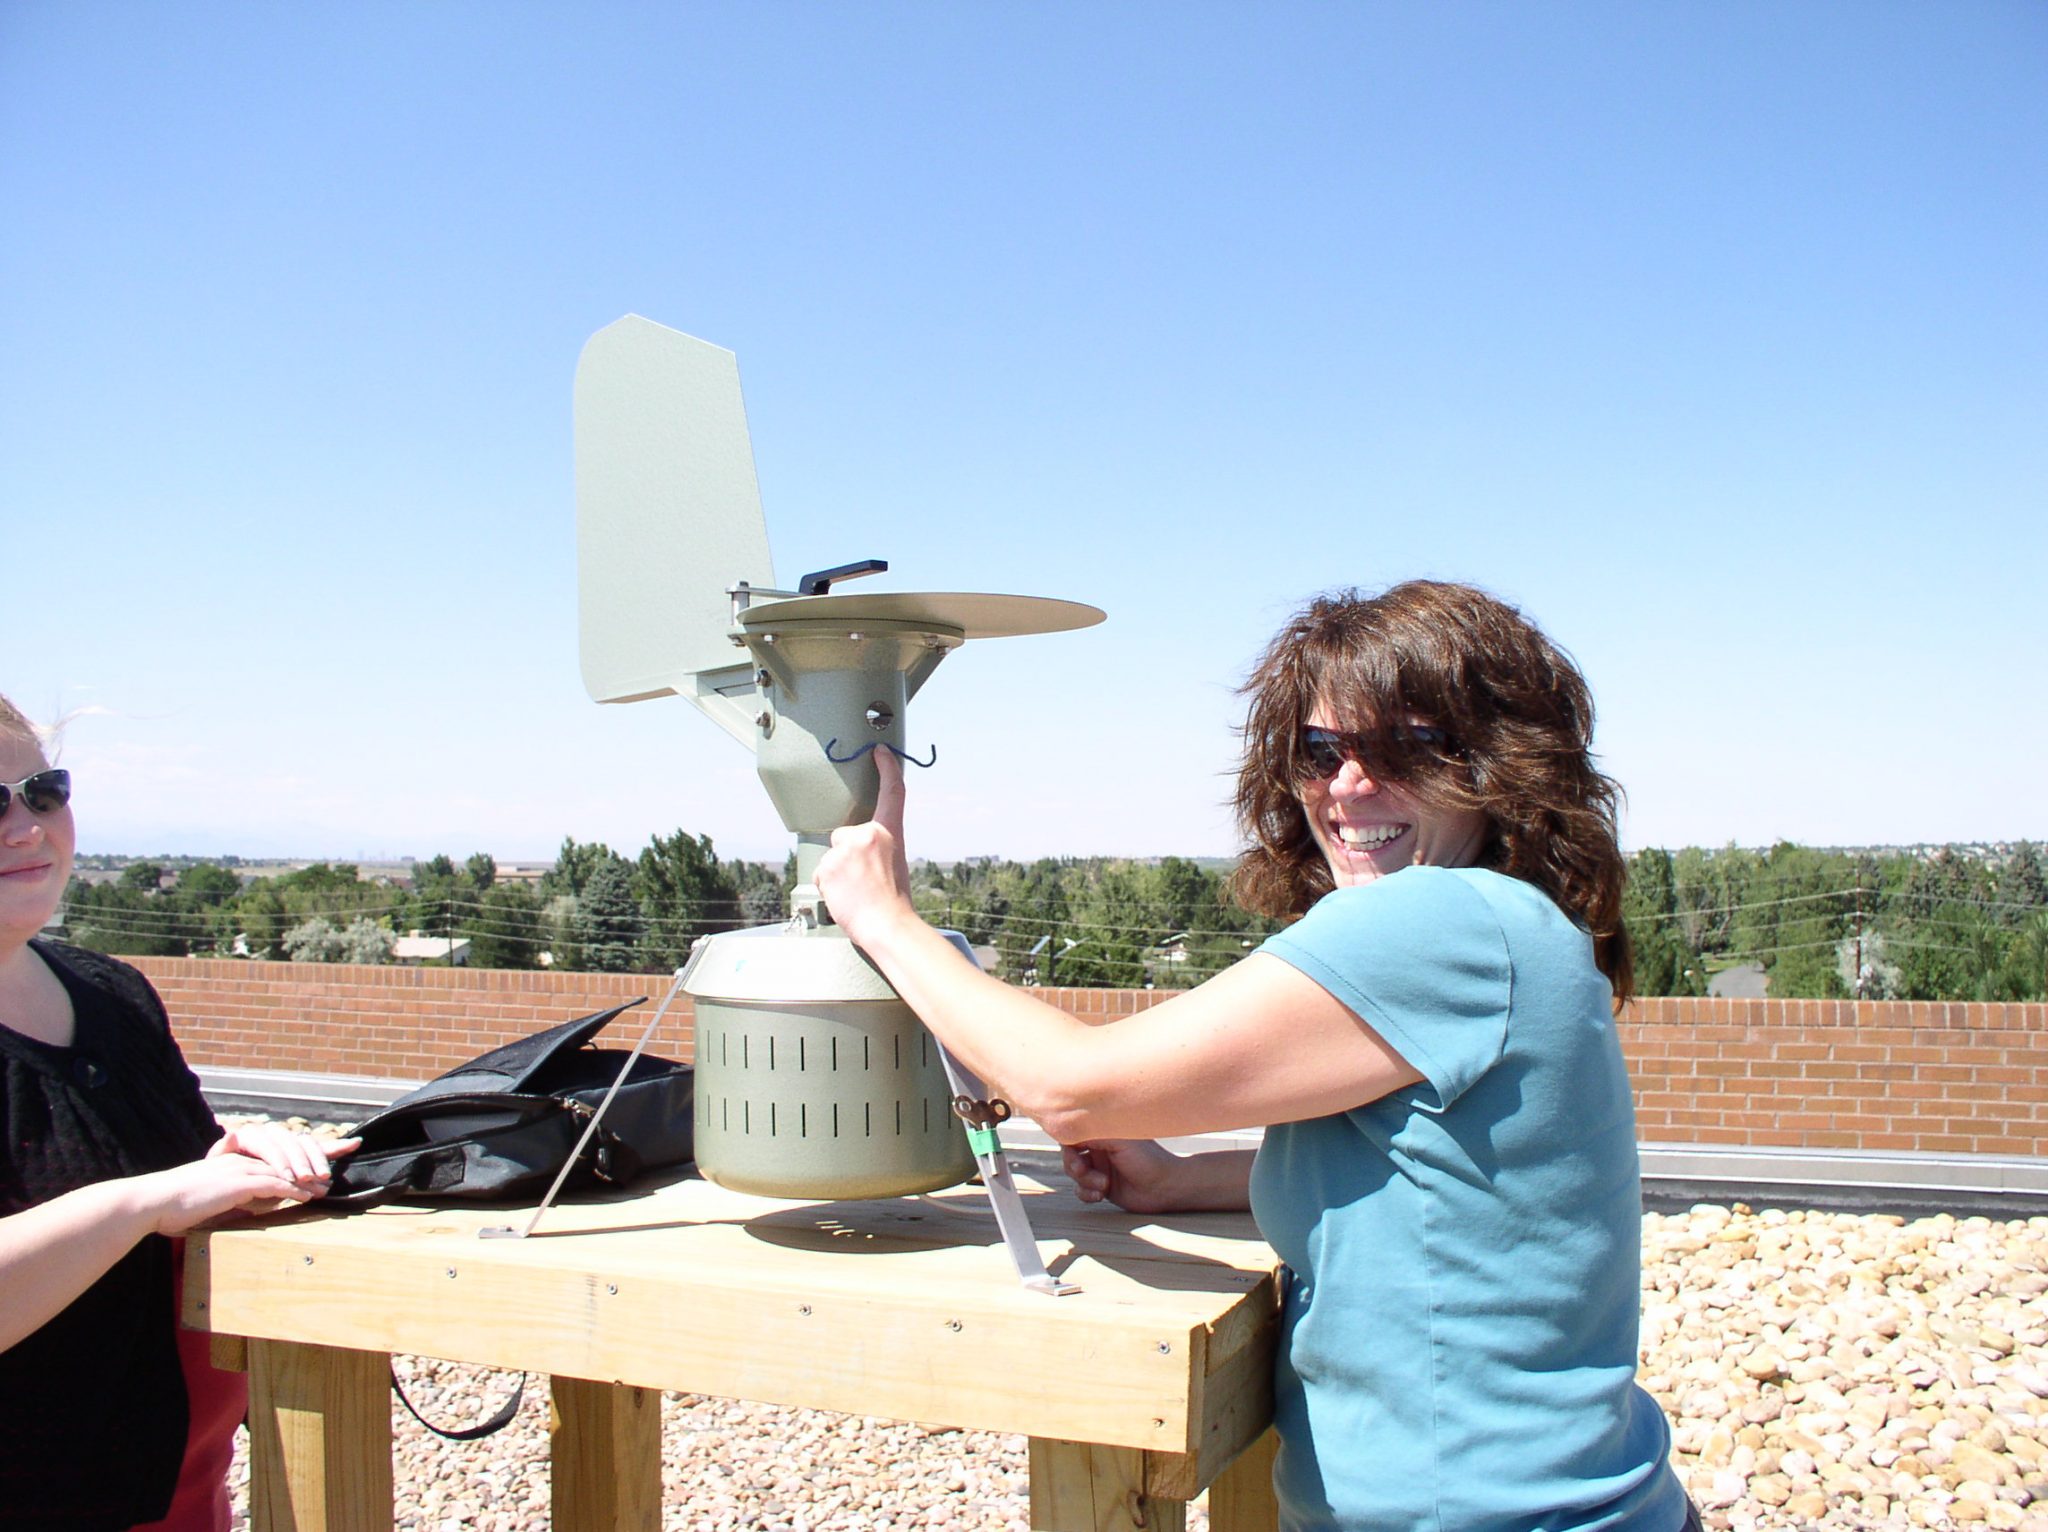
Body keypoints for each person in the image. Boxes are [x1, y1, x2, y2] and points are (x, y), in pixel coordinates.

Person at [815, 581, 1695, 1532]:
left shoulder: (1438, 920)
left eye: (1407, 746)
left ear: (1498, 763)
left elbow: (1072, 1088)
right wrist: (1173, 1182)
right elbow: (1436, 1180)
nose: (1351, 785)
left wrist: (885, 918)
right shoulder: (1516, 925)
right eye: (1321, 751)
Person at [0, 694, 358, 1532]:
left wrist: (239, 1166)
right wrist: (148, 1202)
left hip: (185, 1496)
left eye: (44, 792)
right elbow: (151, 1200)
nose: (26, 828)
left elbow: (184, 1185)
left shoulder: (113, 996)